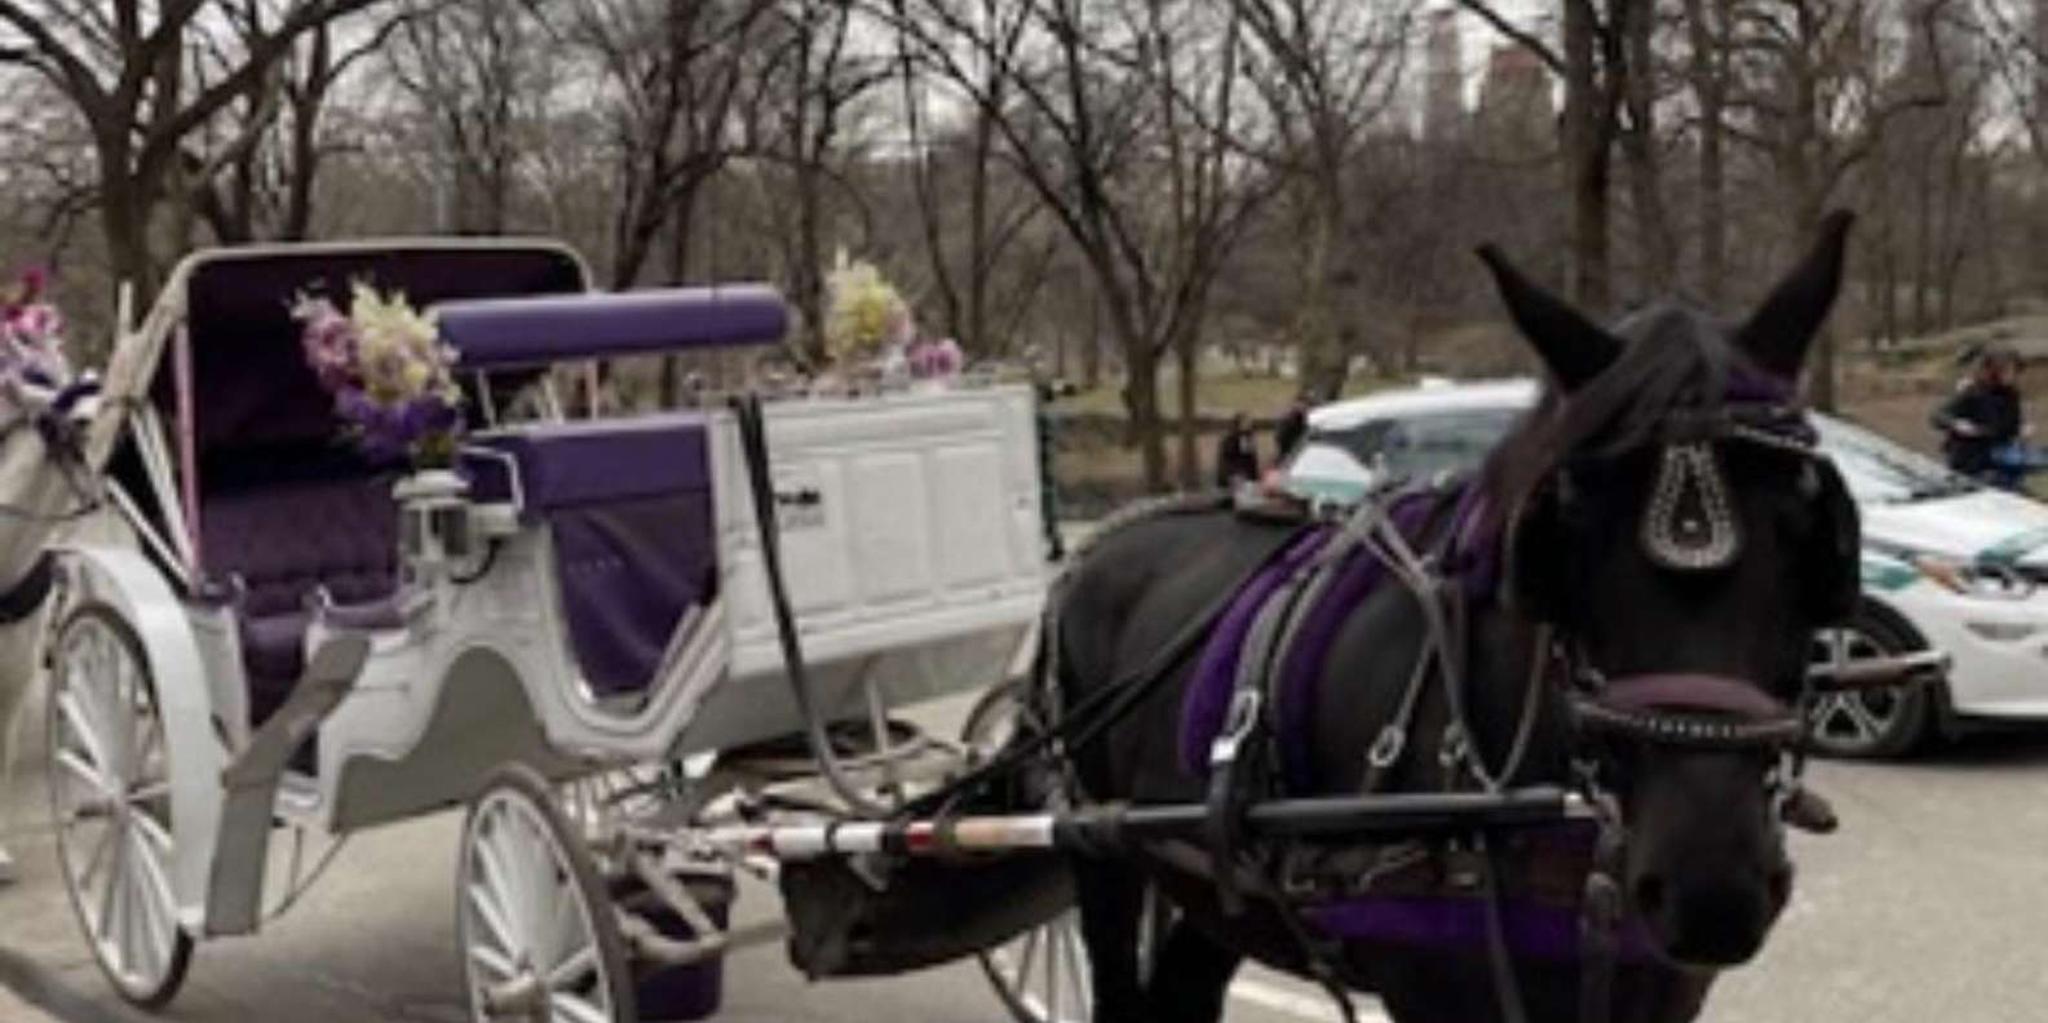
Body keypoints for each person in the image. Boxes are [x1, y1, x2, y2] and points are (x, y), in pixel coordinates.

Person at [1933, 345, 2023, 482]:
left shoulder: (2011, 395)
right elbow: (1937, 416)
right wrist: (1957, 424)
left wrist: (2018, 430)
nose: (2012, 376)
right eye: (2008, 371)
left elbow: (2009, 426)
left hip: (2000, 456)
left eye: (2015, 371)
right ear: (1995, 371)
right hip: (1970, 460)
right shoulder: (1973, 392)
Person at [1216, 412, 1260, 489]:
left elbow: (1251, 460)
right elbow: (1228, 461)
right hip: (1233, 476)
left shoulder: (1247, 438)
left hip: (1245, 477)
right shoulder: (1230, 439)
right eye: (1245, 423)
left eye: (1249, 423)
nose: (1248, 426)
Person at [1273, 395, 1310, 463]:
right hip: (1288, 450)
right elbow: (1280, 437)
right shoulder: (1289, 418)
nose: (1304, 408)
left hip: (1296, 450)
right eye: (1302, 405)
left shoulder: (1302, 419)